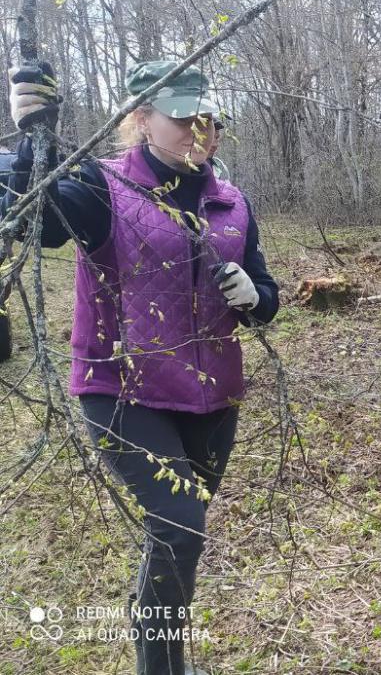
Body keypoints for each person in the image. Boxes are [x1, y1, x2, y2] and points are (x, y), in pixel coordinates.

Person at [5, 59, 279, 675]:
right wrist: (34, 140)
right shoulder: (104, 186)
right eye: (182, 118)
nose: (198, 132)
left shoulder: (229, 201)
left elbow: (266, 296)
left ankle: (165, 650)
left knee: (176, 538)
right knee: (181, 529)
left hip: (213, 399)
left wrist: (254, 297)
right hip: (123, 391)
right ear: (141, 120)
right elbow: (39, 219)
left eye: (208, 120)